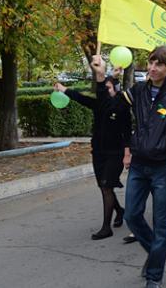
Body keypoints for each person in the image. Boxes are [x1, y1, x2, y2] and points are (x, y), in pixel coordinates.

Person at [90, 46, 166, 288]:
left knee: (162, 225)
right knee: (132, 215)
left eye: (159, 64)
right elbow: (109, 108)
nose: (152, 68)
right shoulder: (138, 91)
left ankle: (154, 277)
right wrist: (101, 77)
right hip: (139, 166)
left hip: (163, 168)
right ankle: (155, 256)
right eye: (151, 62)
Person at [53, 71, 131, 240]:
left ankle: (106, 228)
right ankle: (119, 210)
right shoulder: (98, 105)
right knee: (104, 186)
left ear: (115, 89)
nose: (105, 91)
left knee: (106, 186)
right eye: (104, 88)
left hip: (115, 153)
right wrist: (63, 88)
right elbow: (79, 97)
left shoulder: (122, 107)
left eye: (108, 88)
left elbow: (127, 132)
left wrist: (127, 154)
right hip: (98, 152)